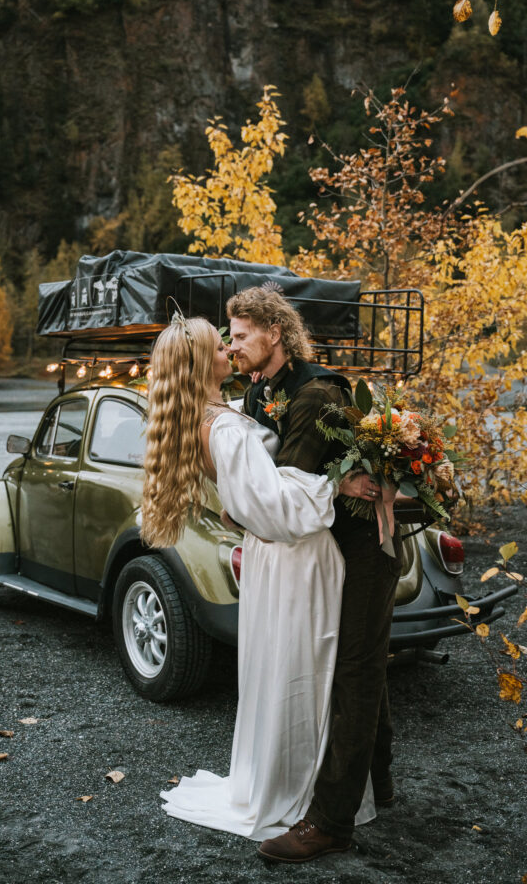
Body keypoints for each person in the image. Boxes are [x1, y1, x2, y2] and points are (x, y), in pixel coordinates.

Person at [141, 315, 377, 843]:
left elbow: (245, 503)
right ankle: (294, 791)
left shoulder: (217, 414)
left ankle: (300, 781)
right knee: (301, 673)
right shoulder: (221, 426)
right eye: (219, 343)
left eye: (234, 337)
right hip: (292, 557)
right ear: (204, 363)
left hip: (274, 557)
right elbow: (274, 508)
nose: (229, 348)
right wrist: (338, 487)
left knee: (283, 670)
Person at [227, 286, 401, 863]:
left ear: (275, 333)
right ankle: (382, 784)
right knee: (357, 669)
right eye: (231, 335)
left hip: (362, 550)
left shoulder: (318, 394)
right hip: (321, 551)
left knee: (353, 672)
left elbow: (282, 493)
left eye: (242, 334)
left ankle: (330, 823)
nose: (234, 345)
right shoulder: (260, 393)